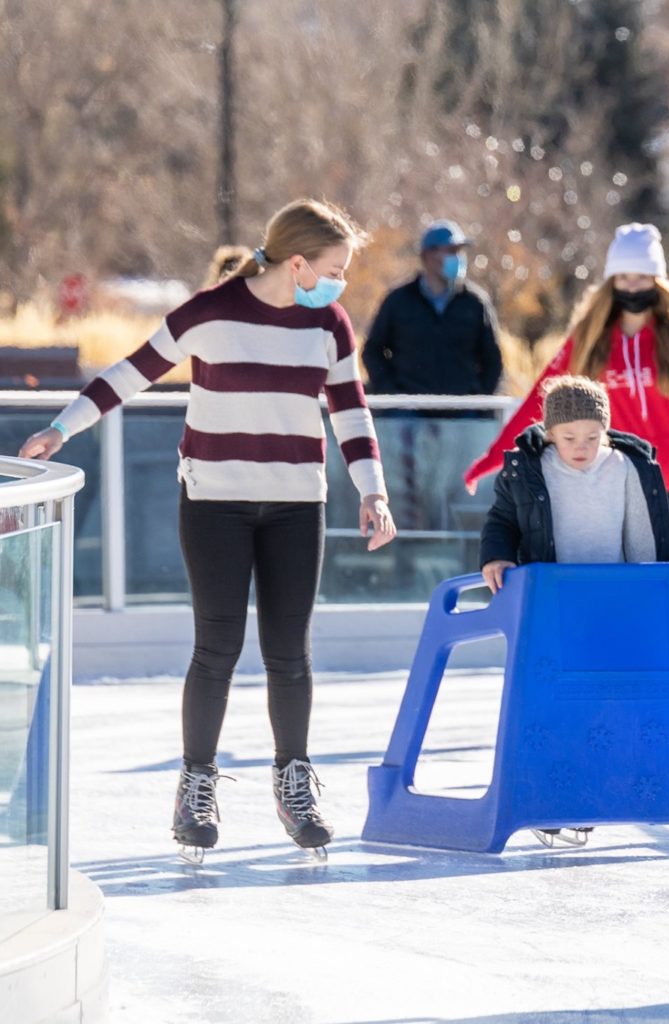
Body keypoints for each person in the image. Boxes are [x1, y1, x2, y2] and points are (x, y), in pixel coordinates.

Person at [19, 199, 398, 863]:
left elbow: (350, 409)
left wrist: (373, 491)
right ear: (299, 262)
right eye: (335, 268)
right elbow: (127, 375)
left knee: (290, 652)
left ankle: (293, 783)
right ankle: (196, 783)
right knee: (216, 646)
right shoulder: (212, 311)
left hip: (295, 505)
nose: (341, 282)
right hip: (215, 502)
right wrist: (62, 428)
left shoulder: (329, 323)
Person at [465, 223, 669, 729]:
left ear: (657, 280)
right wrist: (491, 458)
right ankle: (635, 680)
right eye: (623, 277)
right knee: (622, 574)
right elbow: (540, 402)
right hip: (610, 478)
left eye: (642, 276)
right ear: (610, 282)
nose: (632, 287)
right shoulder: (590, 341)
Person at [478, 375, 669, 848]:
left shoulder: (628, 468)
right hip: (553, 603)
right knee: (552, 704)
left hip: (610, 605)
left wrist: (649, 589)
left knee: (601, 703)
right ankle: (549, 799)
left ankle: (586, 793)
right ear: (549, 433)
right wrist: (496, 555)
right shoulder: (527, 470)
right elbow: (501, 520)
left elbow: (642, 536)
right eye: (569, 438)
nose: (581, 447)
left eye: (592, 437)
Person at [364, 219, 505, 532]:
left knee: (459, 492)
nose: (458, 258)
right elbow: (373, 351)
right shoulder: (399, 301)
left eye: (460, 251)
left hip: (463, 423)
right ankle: (406, 554)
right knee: (410, 496)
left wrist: (478, 403)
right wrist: (393, 397)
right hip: (407, 422)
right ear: (428, 256)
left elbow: (493, 360)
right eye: (450, 251)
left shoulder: (474, 302)